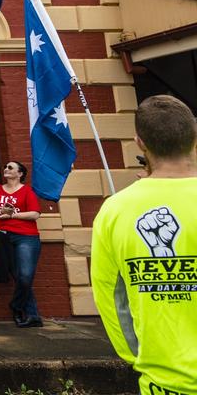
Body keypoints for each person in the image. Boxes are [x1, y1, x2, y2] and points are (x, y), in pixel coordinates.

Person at [92, 94, 197, 394]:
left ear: (140, 142)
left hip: (164, 381)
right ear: (194, 136)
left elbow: (112, 299)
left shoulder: (115, 211)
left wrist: (141, 356)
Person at [0, 160, 44, 327]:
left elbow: (35, 214)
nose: (6, 169)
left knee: (25, 276)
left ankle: (16, 305)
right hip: (2, 236)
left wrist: (12, 215)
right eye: (5, 167)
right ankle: (33, 316)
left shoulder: (27, 191)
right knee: (17, 277)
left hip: (25, 237)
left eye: (10, 167)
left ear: (20, 174)